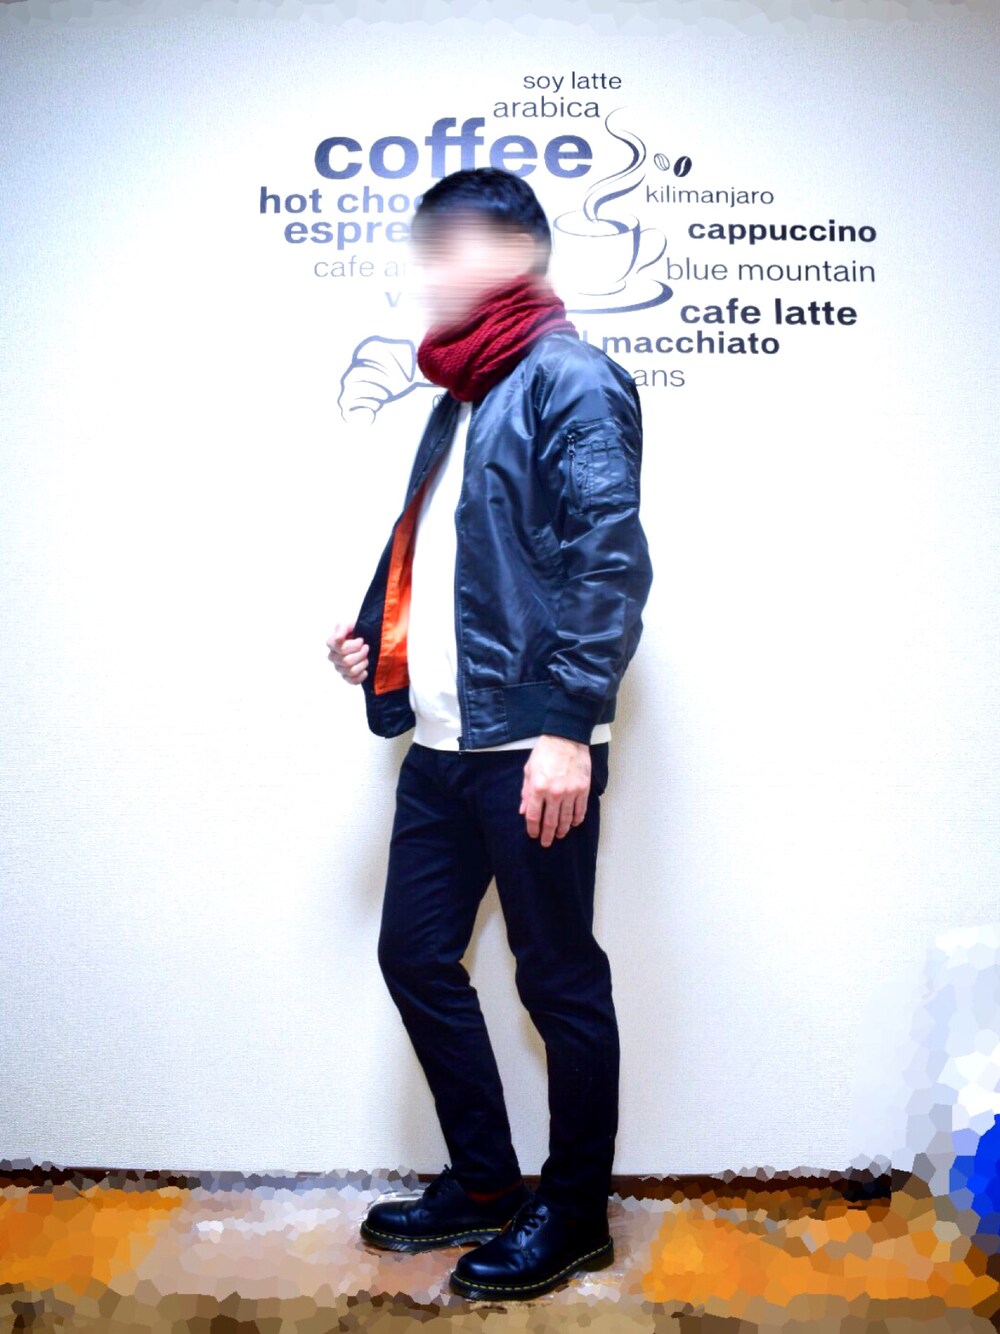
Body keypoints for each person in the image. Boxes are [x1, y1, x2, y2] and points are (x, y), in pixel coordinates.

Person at [326, 166, 653, 1302]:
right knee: (415, 955)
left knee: (558, 979)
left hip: (529, 749)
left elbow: (608, 563)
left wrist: (568, 727)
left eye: (447, 248)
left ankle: (575, 1212)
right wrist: (380, 636)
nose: (428, 272)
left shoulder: (571, 378)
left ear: (515, 253)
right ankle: (483, 1182)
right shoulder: (461, 394)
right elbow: (453, 552)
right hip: (442, 747)